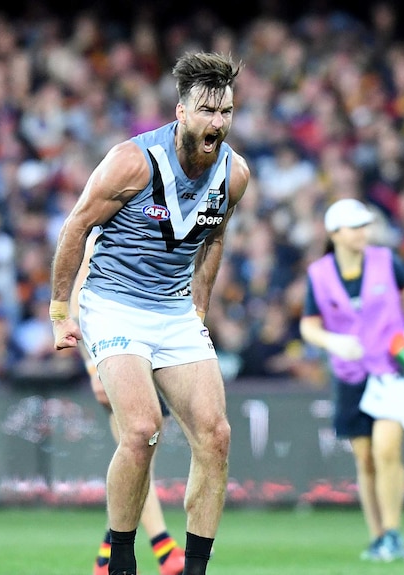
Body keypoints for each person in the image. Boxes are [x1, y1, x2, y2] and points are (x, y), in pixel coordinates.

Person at [50, 51, 250, 575]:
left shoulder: (235, 175)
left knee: (217, 434)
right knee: (141, 429)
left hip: (172, 310)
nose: (218, 123)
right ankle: (120, 560)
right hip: (113, 304)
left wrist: (198, 311)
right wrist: (58, 311)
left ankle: (195, 569)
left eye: (226, 112)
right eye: (208, 111)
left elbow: (214, 241)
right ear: (181, 112)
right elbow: (75, 228)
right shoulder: (132, 161)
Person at [299, 198, 404, 563]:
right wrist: (332, 342)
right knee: (365, 459)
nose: (363, 232)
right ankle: (378, 535)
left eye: (364, 225)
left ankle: (393, 533)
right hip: (350, 375)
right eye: (354, 226)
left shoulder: (385, 260)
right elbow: (309, 324)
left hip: (390, 369)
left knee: (387, 448)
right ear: (335, 233)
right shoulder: (320, 273)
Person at [73, 232, 186, 575]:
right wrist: (94, 366)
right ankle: (165, 550)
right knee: (137, 457)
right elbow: (80, 306)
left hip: (155, 354)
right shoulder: (104, 236)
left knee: (140, 464)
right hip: (117, 354)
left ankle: (108, 552)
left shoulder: (166, 231)